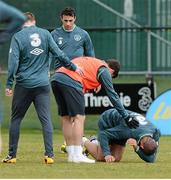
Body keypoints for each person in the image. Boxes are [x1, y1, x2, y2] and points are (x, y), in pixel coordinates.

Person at [2, 12, 82, 164]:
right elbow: (59, 54)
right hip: (42, 85)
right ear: (34, 21)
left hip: (24, 85)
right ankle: (49, 155)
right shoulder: (45, 34)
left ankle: (12, 156)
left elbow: (13, 63)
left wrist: (9, 84)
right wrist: (73, 67)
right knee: (46, 120)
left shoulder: (18, 36)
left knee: (16, 119)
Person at [51, 56, 139, 163]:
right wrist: (126, 117)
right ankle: (78, 154)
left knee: (66, 118)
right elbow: (112, 95)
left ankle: (72, 154)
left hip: (57, 78)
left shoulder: (94, 63)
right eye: (111, 77)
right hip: (71, 80)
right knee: (79, 117)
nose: (108, 79)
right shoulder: (105, 70)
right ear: (112, 70)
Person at [82, 108, 161, 163]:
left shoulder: (156, 132)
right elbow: (104, 134)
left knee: (116, 159)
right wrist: (107, 154)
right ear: (142, 146)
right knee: (101, 157)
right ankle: (83, 139)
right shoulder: (129, 131)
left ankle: (95, 142)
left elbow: (151, 159)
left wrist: (136, 147)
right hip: (108, 120)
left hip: (121, 125)